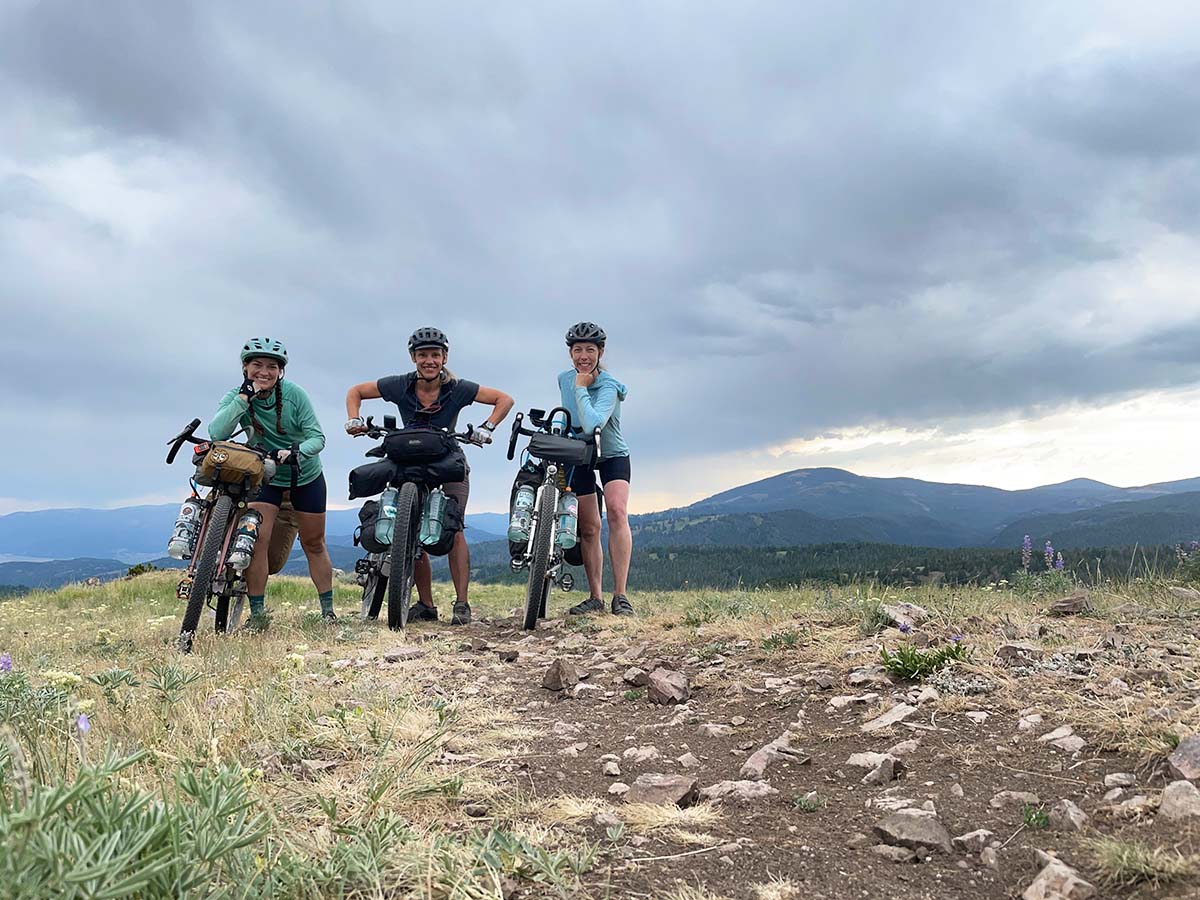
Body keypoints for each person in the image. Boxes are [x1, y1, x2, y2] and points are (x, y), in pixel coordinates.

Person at [344, 327, 513, 625]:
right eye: (423, 355)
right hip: (408, 458)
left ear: (445, 357)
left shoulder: (458, 388)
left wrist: (487, 427)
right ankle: (426, 604)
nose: (429, 361)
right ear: (413, 357)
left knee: (454, 526)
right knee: (409, 526)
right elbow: (356, 391)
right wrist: (354, 419)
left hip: (447, 461)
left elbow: (504, 400)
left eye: (435, 355)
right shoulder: (399, 385)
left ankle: (462, 604)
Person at [209, 337, 335, 625]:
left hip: (305, 475)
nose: (264, 372)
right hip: (264, 475)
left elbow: (318, 437)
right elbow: (217, 431)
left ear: (281, 371)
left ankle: (328, 612)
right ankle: (257, 616)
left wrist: (295, 451)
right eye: (257, 365)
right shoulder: (235, 397)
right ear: (245, 367)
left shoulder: (294, 395)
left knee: (314, 543)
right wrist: (243, 399)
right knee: (257, 540)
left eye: (272, 366)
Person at [558, 322, 633, 617]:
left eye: (590, 349)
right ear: (570, 353)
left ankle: (621, 596)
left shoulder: (610, 386)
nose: (583, 356)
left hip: (612, 454)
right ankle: (595, 597)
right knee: (589, 526)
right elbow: (568, 416)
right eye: (577, 350)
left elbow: (592, 423)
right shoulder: (564, 379)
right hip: (579, 454)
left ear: (601, 352)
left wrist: (581, 388)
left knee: (616, 511)